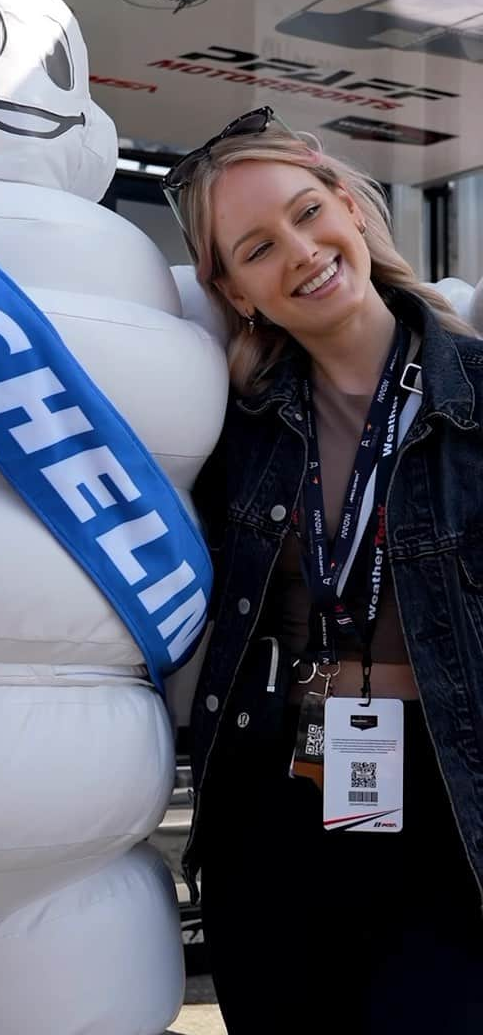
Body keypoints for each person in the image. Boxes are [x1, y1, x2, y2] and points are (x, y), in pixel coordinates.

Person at [161, 106, 483, 1034]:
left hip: (449, 796)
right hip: (276, 785)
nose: (301, 252)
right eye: (258, 247)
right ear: (239, 292)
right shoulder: (226, 424)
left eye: (308, 213)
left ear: (349, 205)